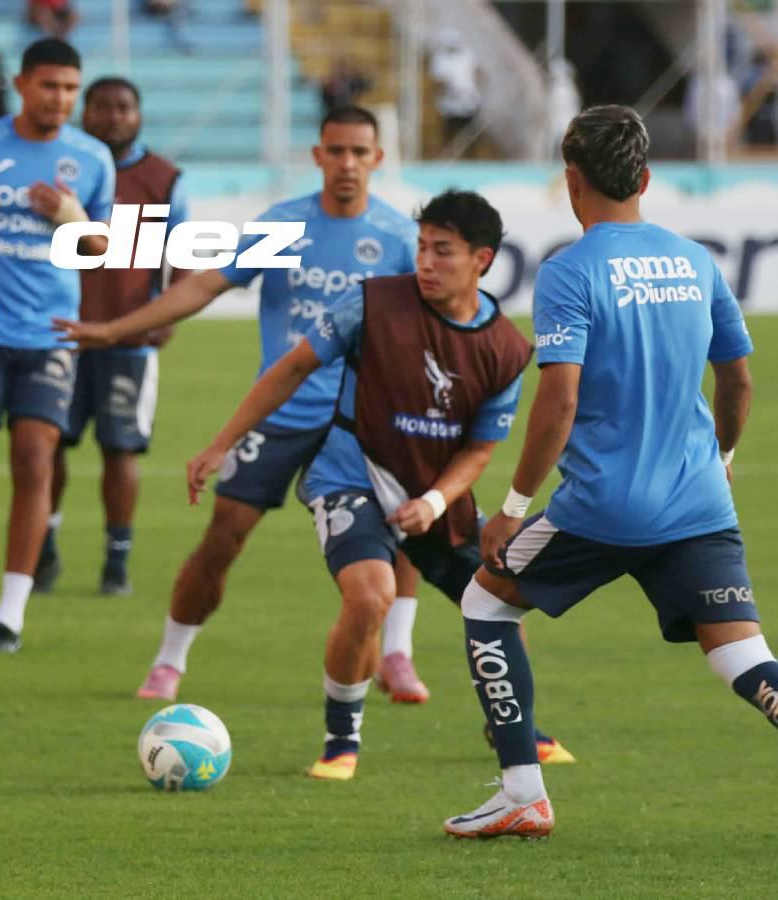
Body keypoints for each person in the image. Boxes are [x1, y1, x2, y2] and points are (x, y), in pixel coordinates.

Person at [443, 106, 764, 839]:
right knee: (743, 657)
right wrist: (722, 459)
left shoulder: (570, 271)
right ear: (646, 178)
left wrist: (514, 505)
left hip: (603, 508)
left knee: (485, 603)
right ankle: (520, 792)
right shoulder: (694, 259)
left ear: (571, 181)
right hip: (699, 503)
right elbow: (738, 384)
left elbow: (559, 399)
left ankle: (523, 792)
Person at [184, 190, 569, 781]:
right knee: (369, 595)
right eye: (421, 248)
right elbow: (291, 368)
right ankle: (342, 738)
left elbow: (480, 448)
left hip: (431, 490)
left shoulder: (507, 350)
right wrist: (220, 443)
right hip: (349, 472)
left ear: (482, 260)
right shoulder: (370, 305)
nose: (425, 262)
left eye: (443, 251)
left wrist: (436, 501)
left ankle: (512, 724)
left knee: (500, 600)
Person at [57, 106, 432, 701]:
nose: (348, 164)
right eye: (336, 151)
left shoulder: (398, 241)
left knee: (408, 518)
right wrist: (114, 331)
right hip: (279, 411)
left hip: (360, 421)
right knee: (223, 535)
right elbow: (205, 284)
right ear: (318, 156)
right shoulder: (284, 228)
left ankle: (398, 656)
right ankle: (169, 661)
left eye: (360, 153)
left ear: (377, 160)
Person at [0, 38, 114, 653]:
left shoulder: (91, 158)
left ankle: (9, 617)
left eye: (69, 88)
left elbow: (105, 249)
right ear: (21, 84)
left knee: (36, 463)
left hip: (51, 334)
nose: (59, 99)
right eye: (49, 86)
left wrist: (72, 217)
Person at [38, 76, 190, 596]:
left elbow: (184, 256)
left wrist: (165, 315)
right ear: (86, 111)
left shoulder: (164, 178)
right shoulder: (64, 166)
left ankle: (116, 559)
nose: (113, 116)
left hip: (129, 339)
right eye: (101, 107)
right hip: (59, 333)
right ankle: (45, 549)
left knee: (121, 449)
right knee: (48, 444)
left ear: (139, 114)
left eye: (123, 107)